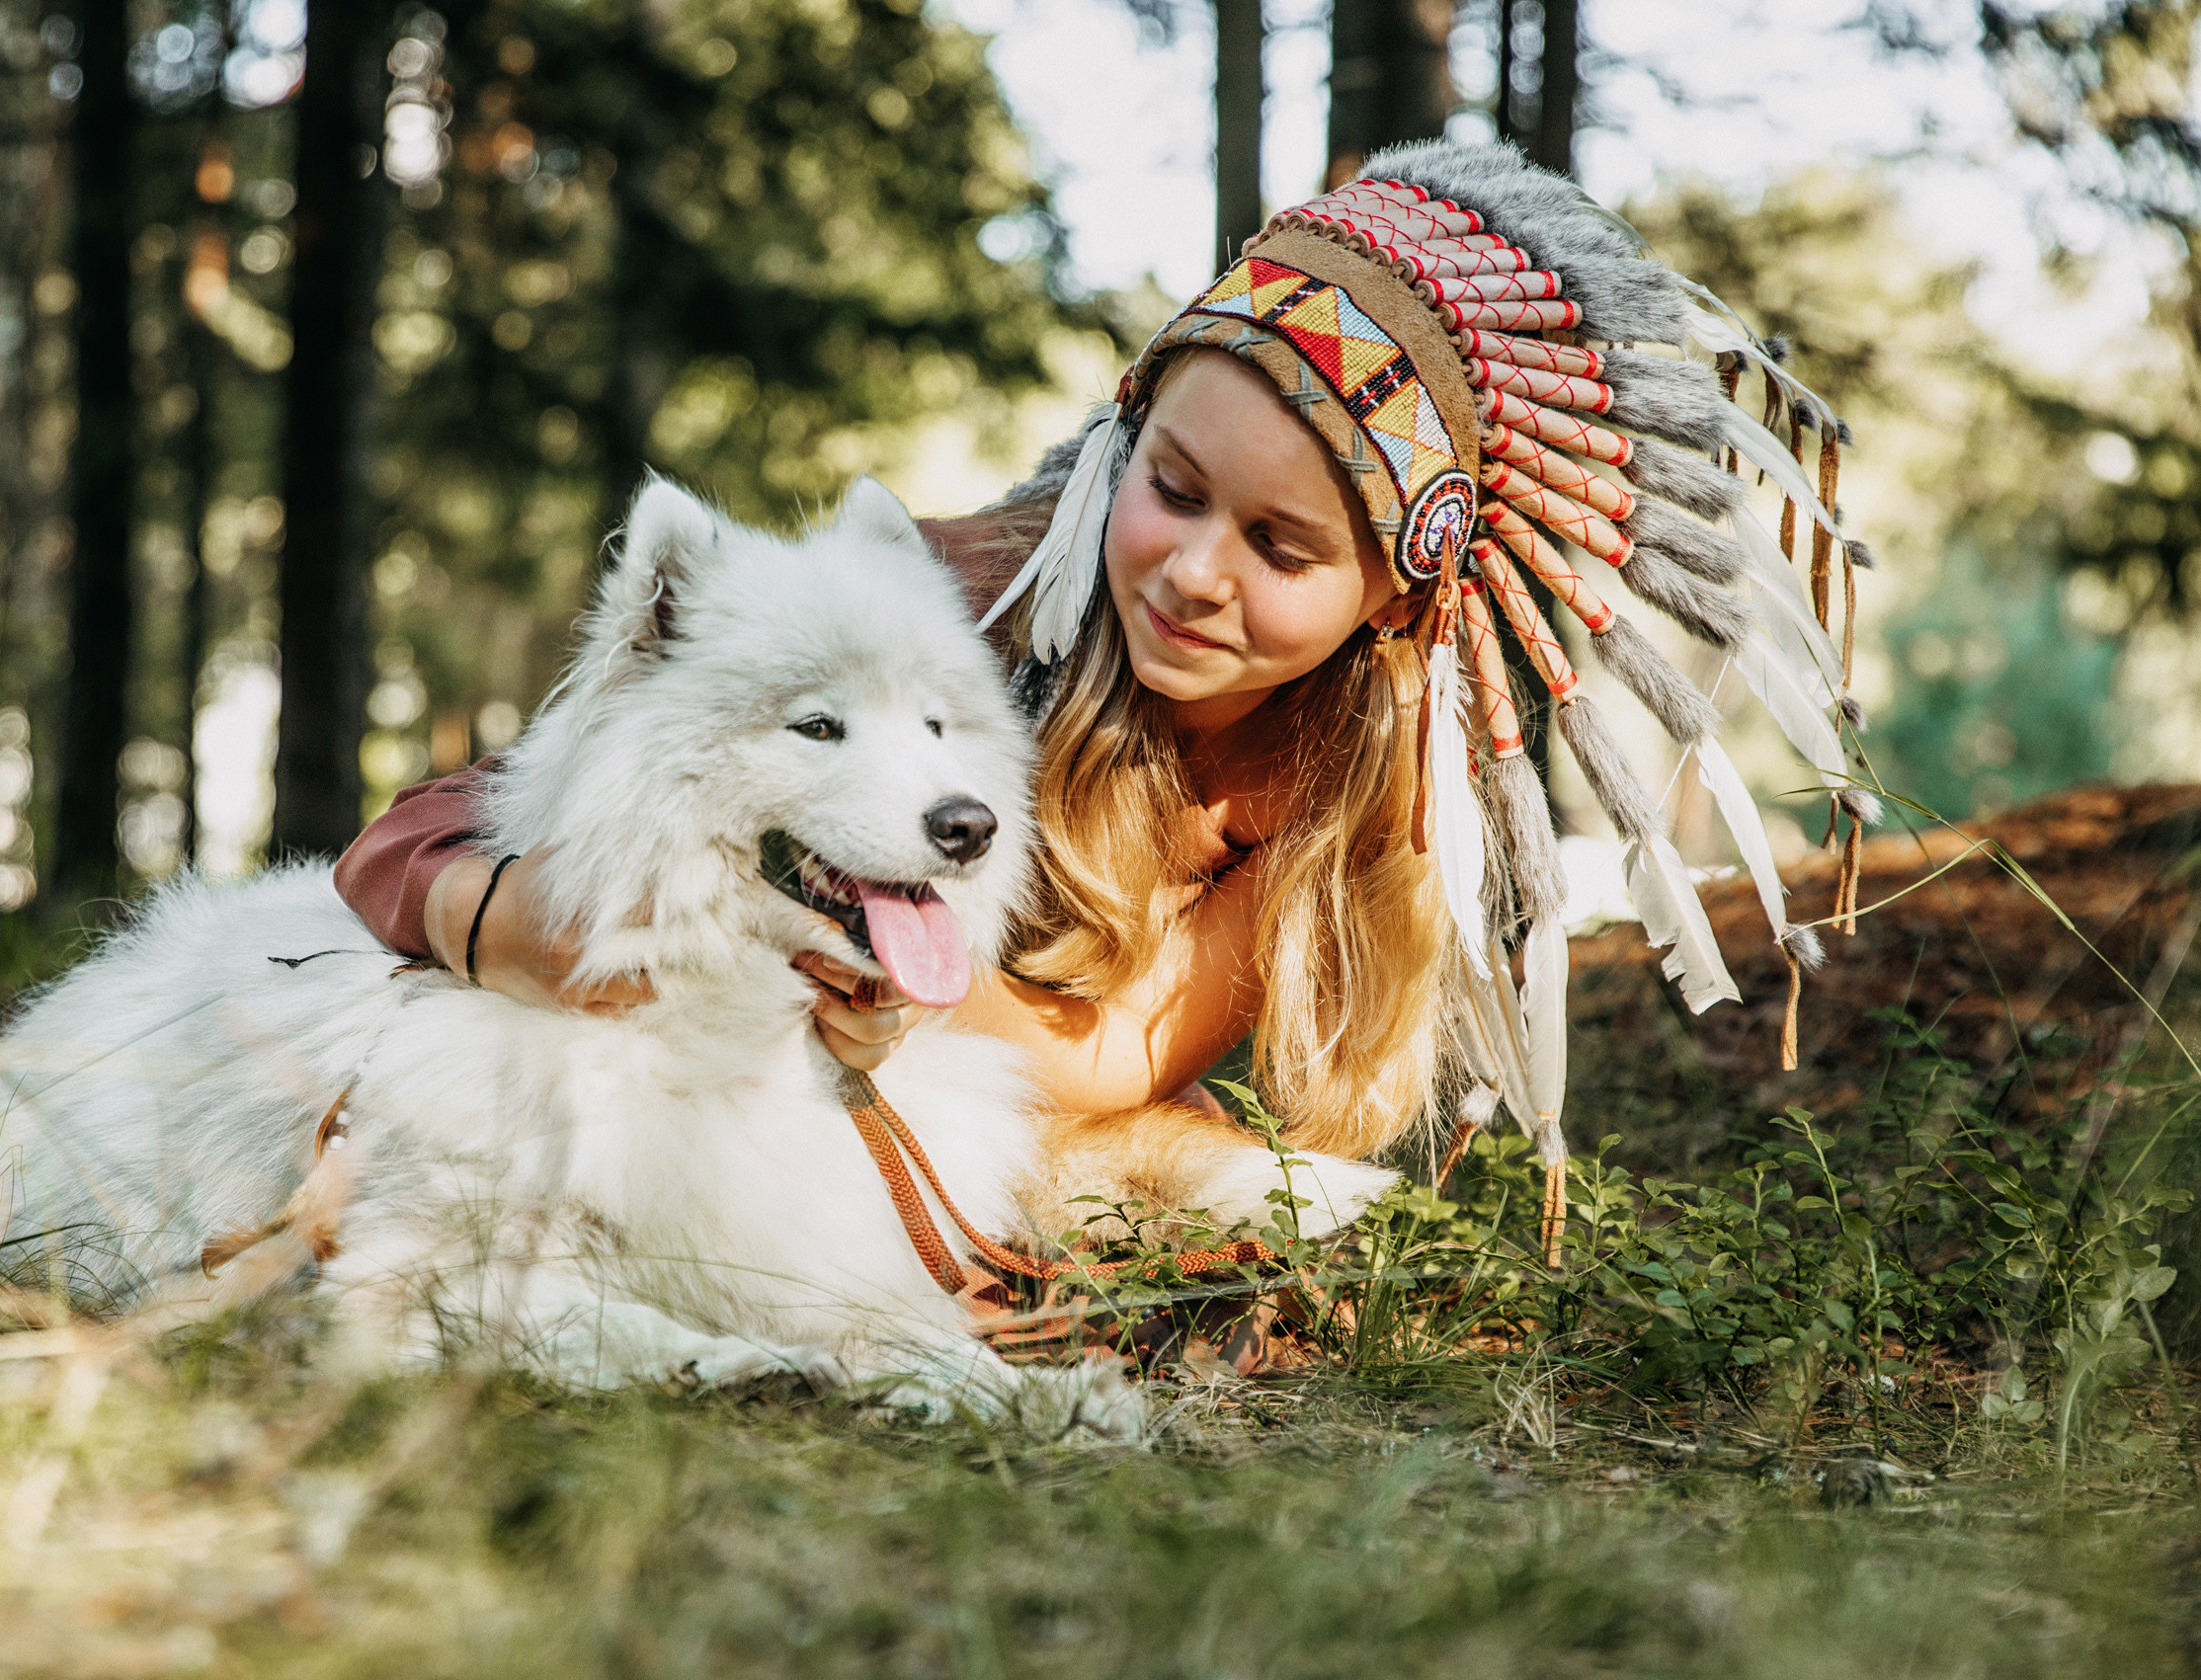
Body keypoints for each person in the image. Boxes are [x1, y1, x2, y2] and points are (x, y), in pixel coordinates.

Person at [335, 142, 1871, 1195]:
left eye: (1282, 550)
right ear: (1123, 436)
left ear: (1386, 605)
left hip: (928, 1115)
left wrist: (878, 994)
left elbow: (1114, 1056)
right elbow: (416, 835)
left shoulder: (1348, 783)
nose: (1196, 571)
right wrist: (502, 915)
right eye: (1177, 488)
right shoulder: (956, 608)